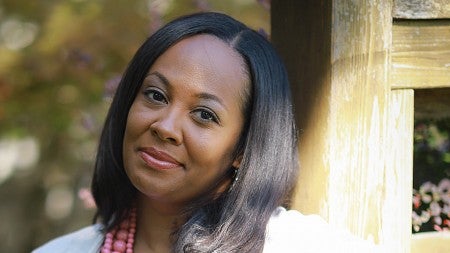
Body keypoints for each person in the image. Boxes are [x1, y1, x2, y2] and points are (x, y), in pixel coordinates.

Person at [33, 12, 379, 253]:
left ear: (245, 149)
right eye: (155, 95)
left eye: (204, 115)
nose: (165, 127)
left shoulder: (299, 246)